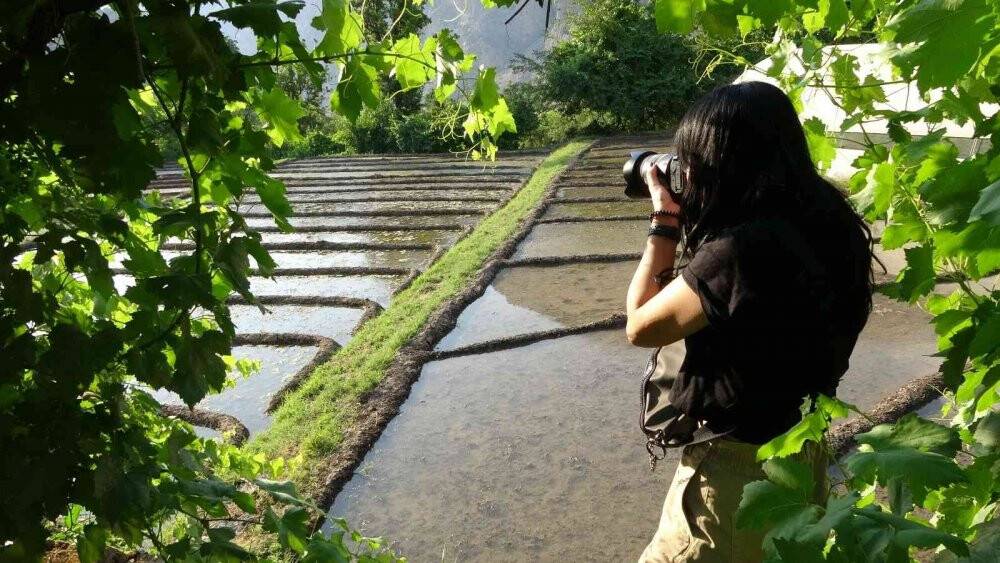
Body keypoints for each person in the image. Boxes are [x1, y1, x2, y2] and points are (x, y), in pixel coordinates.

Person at [625, 81, 875, 562]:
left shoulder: (739, 253)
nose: (686, 174)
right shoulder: (832, 224)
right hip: (801, 450)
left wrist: (664, 223)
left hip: (734, 469)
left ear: (722, 163)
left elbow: (641, 326)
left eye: (691, 161)